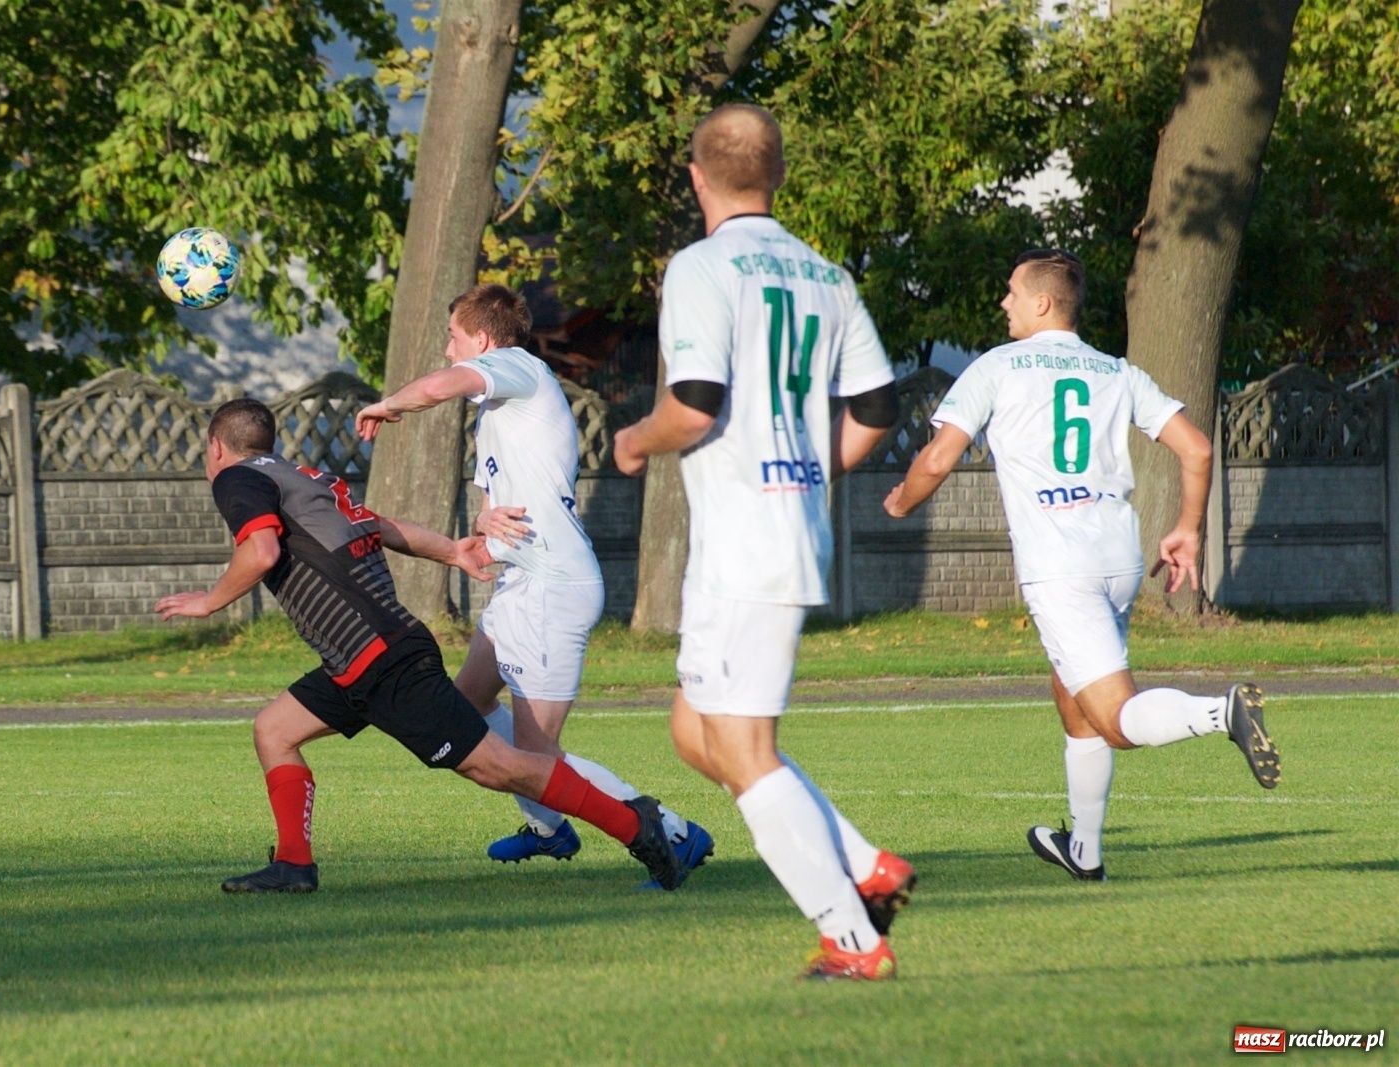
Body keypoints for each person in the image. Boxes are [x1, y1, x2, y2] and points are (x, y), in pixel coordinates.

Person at [611, 103, 916, 980]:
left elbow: (693, 403)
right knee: (693, 730)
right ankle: (867, 863)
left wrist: (634, 439)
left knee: (744, 752)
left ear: (697, 177)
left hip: (744, 542)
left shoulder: (701, 266)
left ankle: (852, 936)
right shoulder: (825, 273)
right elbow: (878, 409)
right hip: (779, 532)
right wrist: (808, 472)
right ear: (778, 174)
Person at [155, 398, 684, 894]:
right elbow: (381, 526)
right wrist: (452, 551)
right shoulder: (302, 478)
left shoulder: (237, 478)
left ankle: (636, 825)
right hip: (357, 659)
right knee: (274, 731)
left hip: (381, 660)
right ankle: (293, 865)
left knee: (497, 766)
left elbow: (262, 551)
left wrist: (209, 601)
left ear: (215, 446)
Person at [883, 247, 1282, 882]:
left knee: (1116, 720)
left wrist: (901, 503)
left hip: (1060, 565)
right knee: (1071, 692)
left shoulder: (996, 366)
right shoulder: (1115, 371)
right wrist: (1186, 529)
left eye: (1013, 292)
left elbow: (935, 460)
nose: (1004, 303)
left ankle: (1221, 712)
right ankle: (1085, 851)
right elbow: (1198, 449)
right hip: (1116, 558)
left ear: (1042, 302)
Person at [355, 284, 713, 882]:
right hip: (521, 585)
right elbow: (499, 507)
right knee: (468, 704)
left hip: (552, 586)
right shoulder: (501, 411)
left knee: (534, 755)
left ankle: (675, 834)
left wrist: (388, 404)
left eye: (453, 337)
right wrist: (481, 526)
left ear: (483, 341)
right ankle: (549, 827)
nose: (447, 350)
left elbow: (442, 386)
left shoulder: (517, 367)